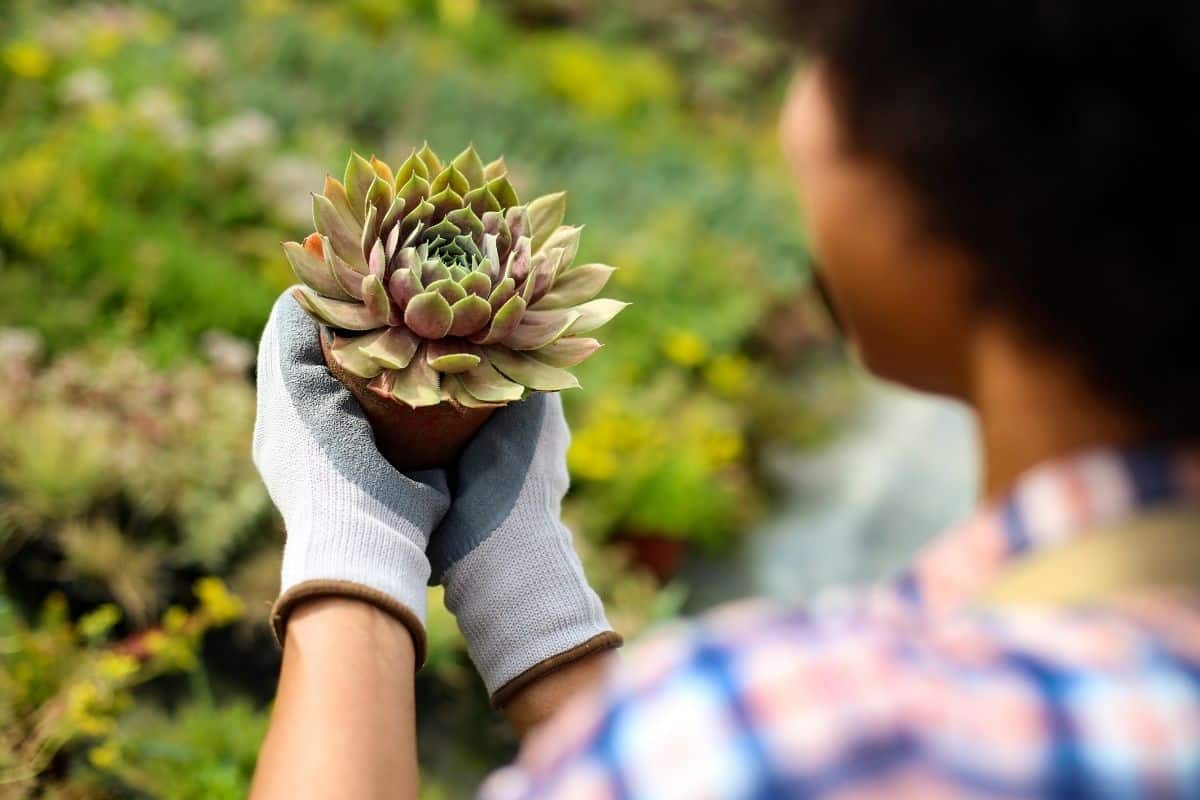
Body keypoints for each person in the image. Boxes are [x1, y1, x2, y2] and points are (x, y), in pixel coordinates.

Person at [248, 2, 1200, 797]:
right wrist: (535, 611)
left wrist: (352, 550)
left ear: (964, 169)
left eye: (825, 55)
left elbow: (721, 752)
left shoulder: (840, 726)